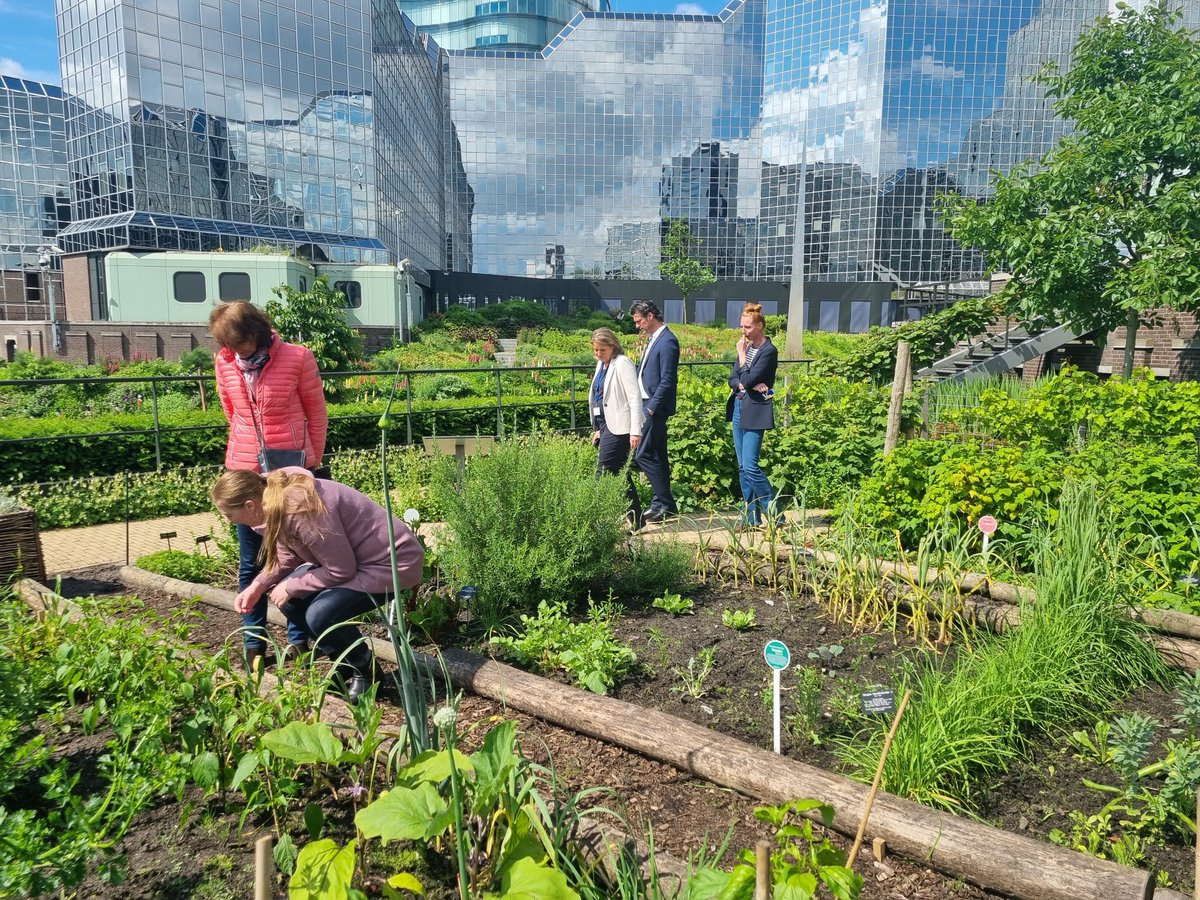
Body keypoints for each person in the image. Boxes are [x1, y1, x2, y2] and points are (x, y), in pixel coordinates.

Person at [211, 467, 424, 704]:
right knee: (292, 601)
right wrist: (258, 586)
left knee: (321, 614)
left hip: (391, 563)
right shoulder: (275, 503)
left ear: (250, 505)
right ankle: (345, 664)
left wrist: (292, 586)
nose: (231, 522)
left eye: (230, 515)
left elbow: (341, 570)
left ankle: (367, 671)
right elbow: (288, 556)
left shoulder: (300, 509)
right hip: (358, 561)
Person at [210, 301, 329, 671]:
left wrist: (312, 461)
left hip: (291, 468)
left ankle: (298, 641)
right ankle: (254, 646)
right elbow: (230, 411)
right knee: (252, 561)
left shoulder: (297, 357)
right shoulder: (225, 363)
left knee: (297, 555)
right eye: (227, 344)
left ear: (256, 331)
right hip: (245, 471)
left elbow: (316, 411)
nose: (234, 350)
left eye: (239, 341)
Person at [726, 302, 780, 527]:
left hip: (756, 411)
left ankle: (775, 514)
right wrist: (743, 384)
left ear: (759, 326)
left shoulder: (768, 351)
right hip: (739, 407)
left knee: (750, 466)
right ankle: (750, 518)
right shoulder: (747, 348)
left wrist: (741, 359)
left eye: (747, 327)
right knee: (741, 467)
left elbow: (746, 379)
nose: (743, 331)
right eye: (741, 326)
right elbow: (733, 379)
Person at [630, 299, 680, 522]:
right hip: (647, 404)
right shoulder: (655, 339)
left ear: (650, 316)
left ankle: (665, 502)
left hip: (653, 407)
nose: (637, 325)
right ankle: (661, 503)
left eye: (639, 320)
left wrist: (651, 408)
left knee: (643, 454)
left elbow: (668, 380)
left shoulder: (668, 341)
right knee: (657, 454)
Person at [589, 327, 644, 529]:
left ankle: (588, 517)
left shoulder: (623, 364)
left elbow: (634, 398)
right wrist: (598, 427)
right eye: (595, 350)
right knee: (620, 474)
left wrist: (635, 430)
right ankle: (637, 521)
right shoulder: (601, 365)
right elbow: (599, 397)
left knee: (602, 471)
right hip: (605, 425)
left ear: (612, 346)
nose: (598, 354)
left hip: (620, 427)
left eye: (601, 350)